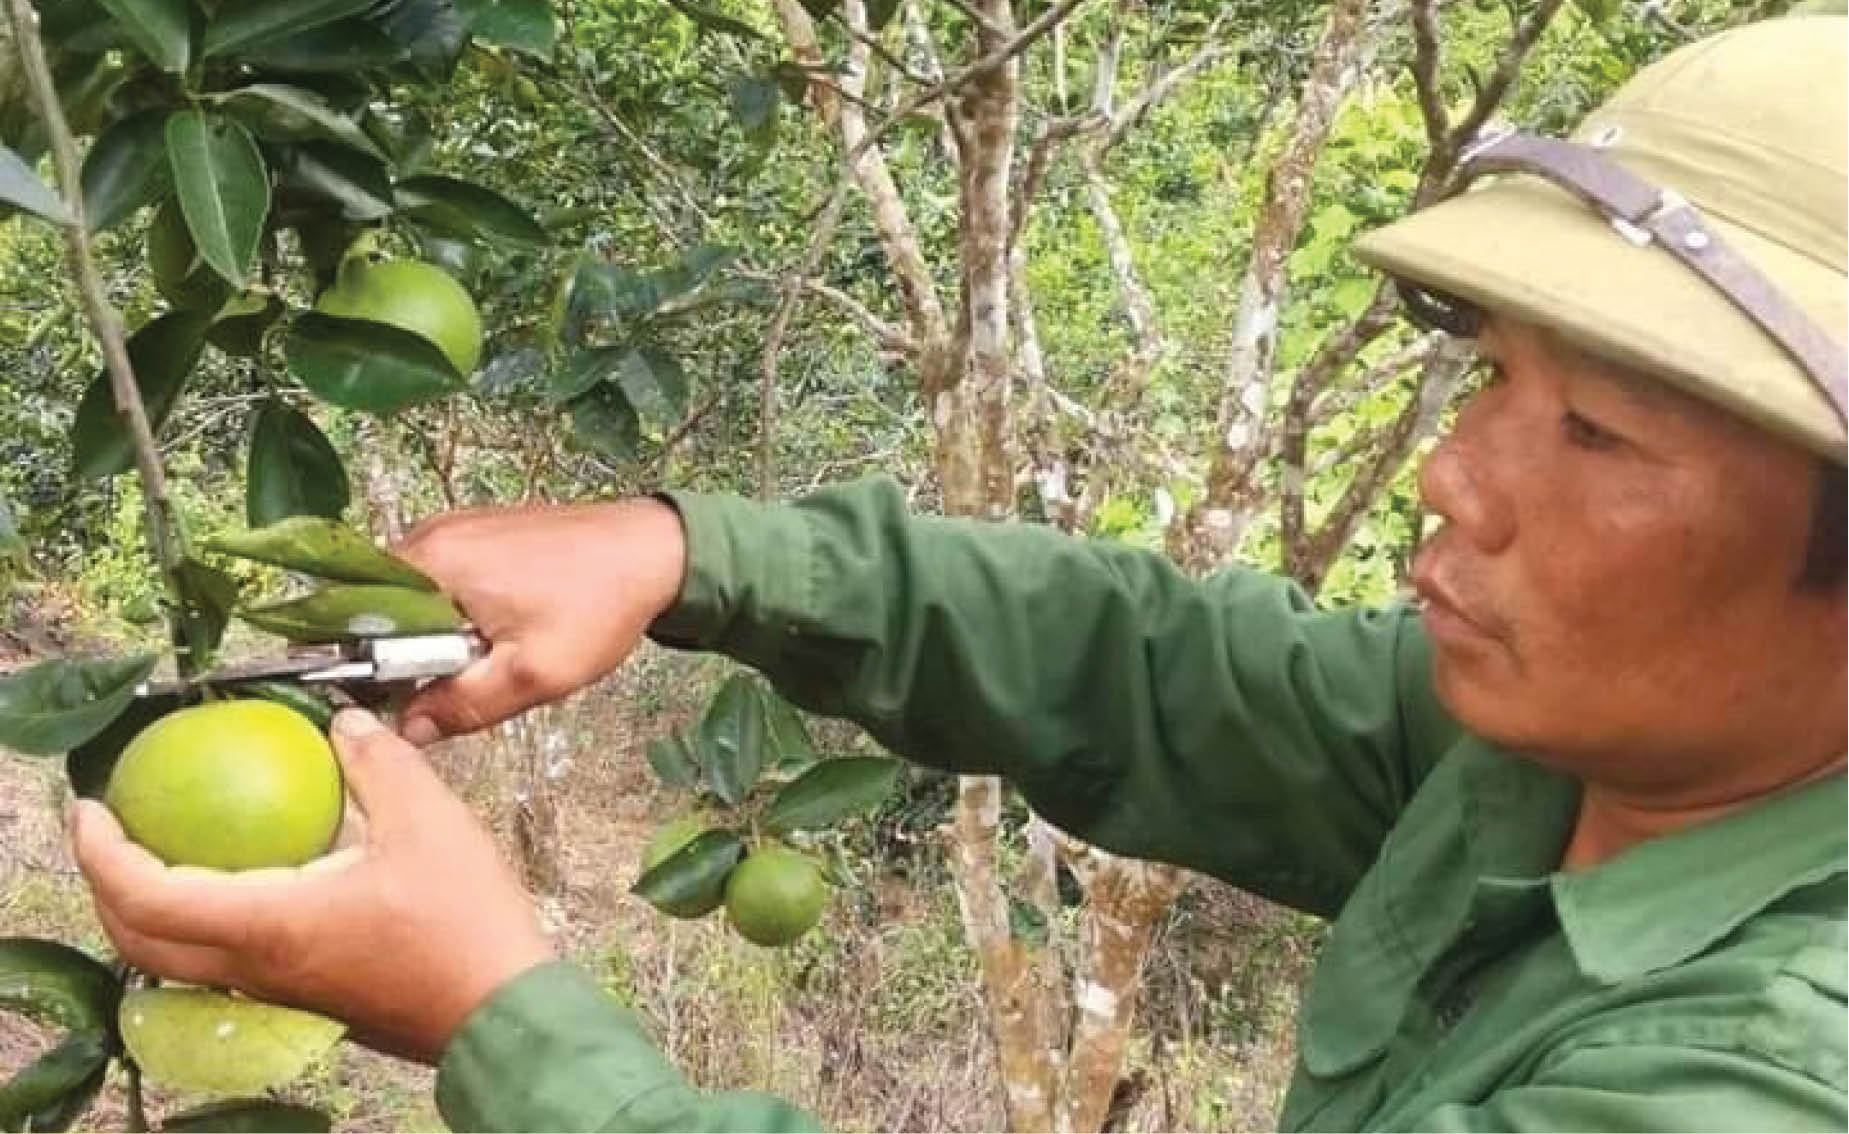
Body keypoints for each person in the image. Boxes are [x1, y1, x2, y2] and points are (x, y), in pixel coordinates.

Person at [69, 14, 1845, 1133]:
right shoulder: (1572, 756)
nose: (1454, 480)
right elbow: (1151, 663)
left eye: (1597, 433)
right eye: (1484, 379)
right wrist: (692, 554)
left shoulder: (1772, 1069)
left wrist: (496, 1019)